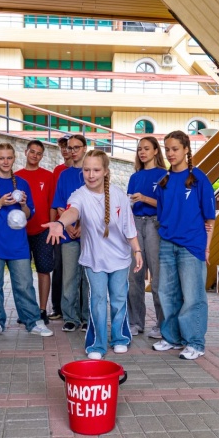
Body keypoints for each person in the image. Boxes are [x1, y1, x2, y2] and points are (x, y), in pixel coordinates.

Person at [44, 150, 143, 359]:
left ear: (105, 171)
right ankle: (97, 344)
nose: (91, 175)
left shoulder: (119, 195)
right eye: (87, 170)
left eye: (96, 170)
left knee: (118, 299)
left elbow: (129, 227)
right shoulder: (79, 194)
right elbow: (72, 211)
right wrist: (60, 223)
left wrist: (137, 250)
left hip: (120, 258)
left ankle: (120, 338)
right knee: (97, 300)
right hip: (94, 259)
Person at [0, 143, 52, 340]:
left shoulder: (22, 183)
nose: (5, 162)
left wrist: (24, 204)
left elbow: (28, 214)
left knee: (25, 284)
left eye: (9, 158)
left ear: (14, 158)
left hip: (18, 243)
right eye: (1, 158)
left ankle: (32, 321)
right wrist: (0, 203)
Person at [152, 131, 216, 360]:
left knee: (193, 296)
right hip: (167, 244)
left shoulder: (199, 179)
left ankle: (195, 343)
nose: (170, 153)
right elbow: (162, 216)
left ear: (186, 149)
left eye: (175, 149)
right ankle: (172, 338)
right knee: (167, 293)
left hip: (191, 246)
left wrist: (206, 248)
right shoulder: (164, 181)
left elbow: (210, 219)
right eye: (167, 149)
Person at [126, 136, 167, 339]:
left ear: (156, 151)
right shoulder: (135, 177)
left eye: (147, 148)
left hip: (154, 223)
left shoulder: (164, 175)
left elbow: (166, 205)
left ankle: (162, 324)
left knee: (157, 277)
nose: (142, 152)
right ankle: (135, 322)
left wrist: (143, 198)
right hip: (135, 223)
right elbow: (128, 203)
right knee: (134, 277)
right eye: (139, 149)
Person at [51, 134, 90, 333]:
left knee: (88, 278)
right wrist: (67, 226)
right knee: (69, 277)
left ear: (85, 148)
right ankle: (70, 317)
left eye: (76, 147)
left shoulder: (91, 173)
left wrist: (83, 226)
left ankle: (87, 317)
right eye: (70, 147)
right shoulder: (64, 175)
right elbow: (59, 204)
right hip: (68, 234)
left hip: (89, 235)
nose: (72, 151)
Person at [15, 140, 54, 324]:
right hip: (21, 232)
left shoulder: (48, 176)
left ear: (42, 156)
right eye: (32, 151)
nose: (35, 155)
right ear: (26, 152)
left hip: (43, 230)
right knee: (22, 273)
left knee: (43, 270)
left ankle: (42, 310)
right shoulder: (16, 177)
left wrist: (52, 226)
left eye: (39, 153)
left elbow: (52, 203)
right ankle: (27, 310)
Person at [48, 135, 71, 320]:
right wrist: (53, 225)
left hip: (78, 226)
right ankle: (57, 307)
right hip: (60, 225)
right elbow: (55, 201)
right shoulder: (58, 170)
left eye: (68, 147)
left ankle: (75, 308)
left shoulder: (84, 169)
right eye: (62, 147)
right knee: (58, 267)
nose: (65, 150)